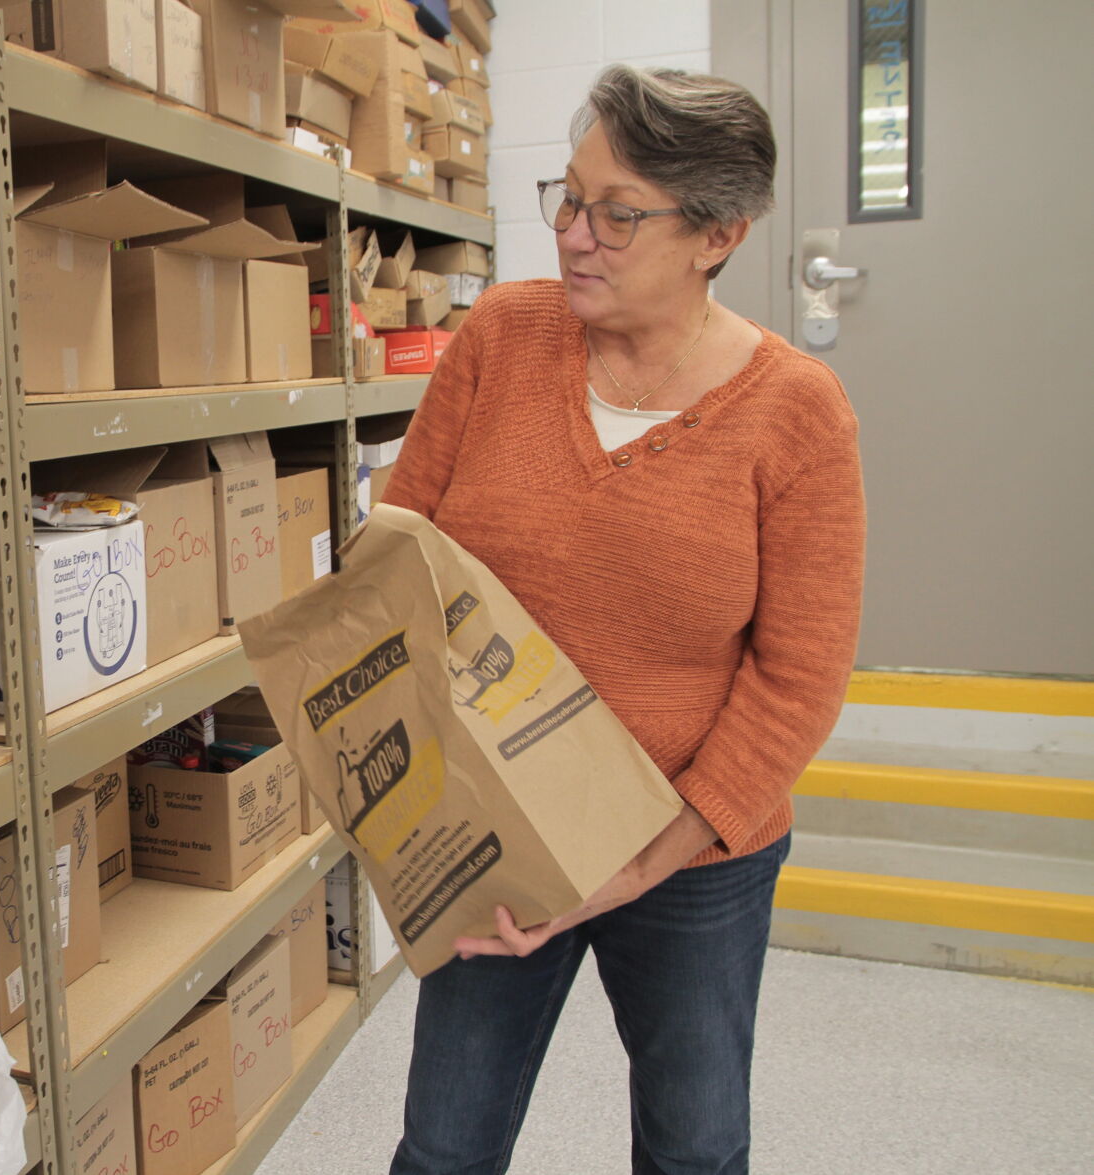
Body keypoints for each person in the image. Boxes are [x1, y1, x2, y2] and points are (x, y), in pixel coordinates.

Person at [380, 65, 865, 1175]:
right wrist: (407, 805)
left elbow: (797, 679)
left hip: (692, 847)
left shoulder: (794, 412)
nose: (573, 235)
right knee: (442, 1146)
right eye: (567, 196)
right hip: (495, 830)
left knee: (694, 1146)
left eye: (616, 213)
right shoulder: (502, 336)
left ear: (717, 234)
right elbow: (398, 547)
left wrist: (639, 861)